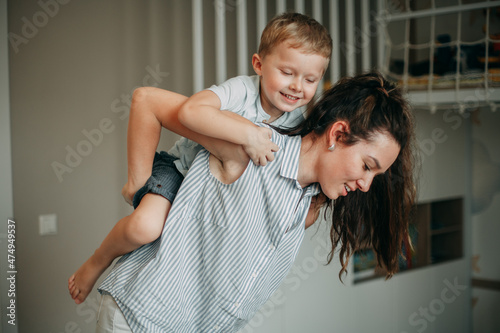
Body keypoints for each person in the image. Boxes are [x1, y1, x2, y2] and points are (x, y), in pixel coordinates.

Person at [94, 72, 416, 332]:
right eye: (367, 166)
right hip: (140, 319)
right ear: (337, 134)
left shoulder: (308, 207)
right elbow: (148, 101)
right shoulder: (251, 146)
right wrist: (137, 184)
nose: (365, 184)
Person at [68, 12, 332, 304]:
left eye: (310, 79)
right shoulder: (241, 91)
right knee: (145, 226)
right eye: (287, 72)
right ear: (258, 64)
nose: (297, 86)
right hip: (180, 173)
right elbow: (191, 111)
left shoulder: (298, 122)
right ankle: (96, 262)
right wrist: (249, 134)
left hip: (214, 198)